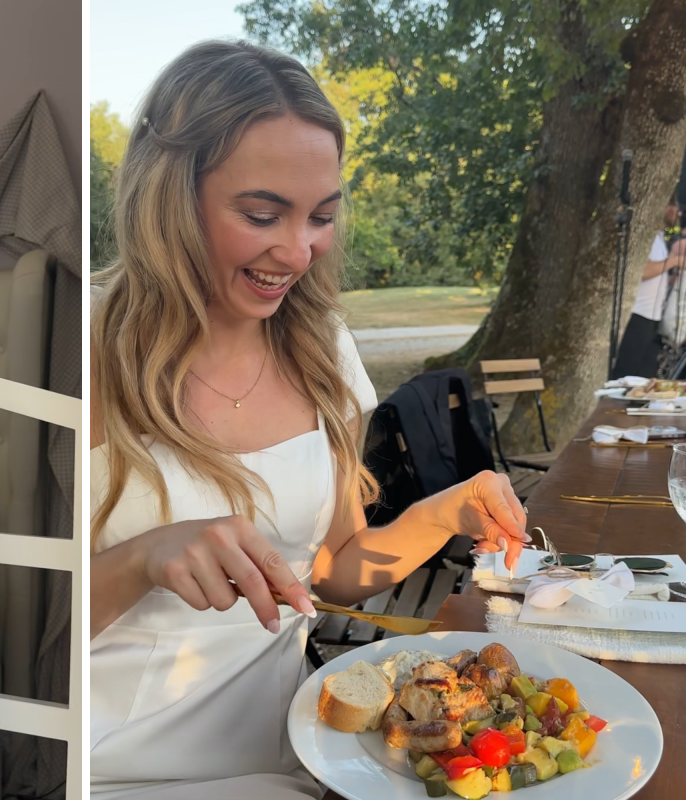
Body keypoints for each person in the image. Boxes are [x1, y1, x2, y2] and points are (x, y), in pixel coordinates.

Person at [89, 41, 528, 799]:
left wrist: (444, 513)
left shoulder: (320, 344)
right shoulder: (87, 344)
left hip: (296, 753)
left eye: (321, 217)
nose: (297, 252)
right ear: (170, 197)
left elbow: (330, 573)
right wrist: (141, 559)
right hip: (112, 766)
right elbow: (11, 625)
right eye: (263, 214)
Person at [612, 195, 683, 378]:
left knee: (641, 373)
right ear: (664, 207)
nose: (679, 213)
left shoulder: (659, 237)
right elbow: (642, 271)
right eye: (675, 206)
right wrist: (674, 260)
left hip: (652, 317)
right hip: (638, 314)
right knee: (626, 371)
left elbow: (655, 274)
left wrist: (671, 279)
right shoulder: (647, 238)